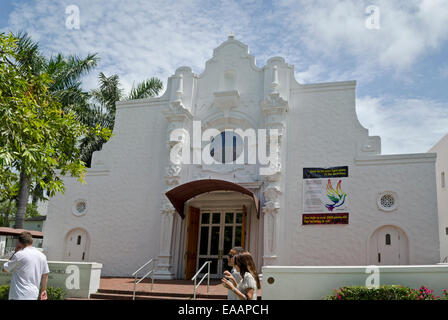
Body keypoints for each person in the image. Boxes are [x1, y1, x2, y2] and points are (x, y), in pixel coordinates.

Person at [1, 232, 50, 300]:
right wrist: (43, 290)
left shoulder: (19, 255)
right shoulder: (42, 256)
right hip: (33, 294)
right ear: (32, 241)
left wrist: (15, 252)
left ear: (19, 243)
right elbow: (45, 275)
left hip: (18, 294)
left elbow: (4, 269)